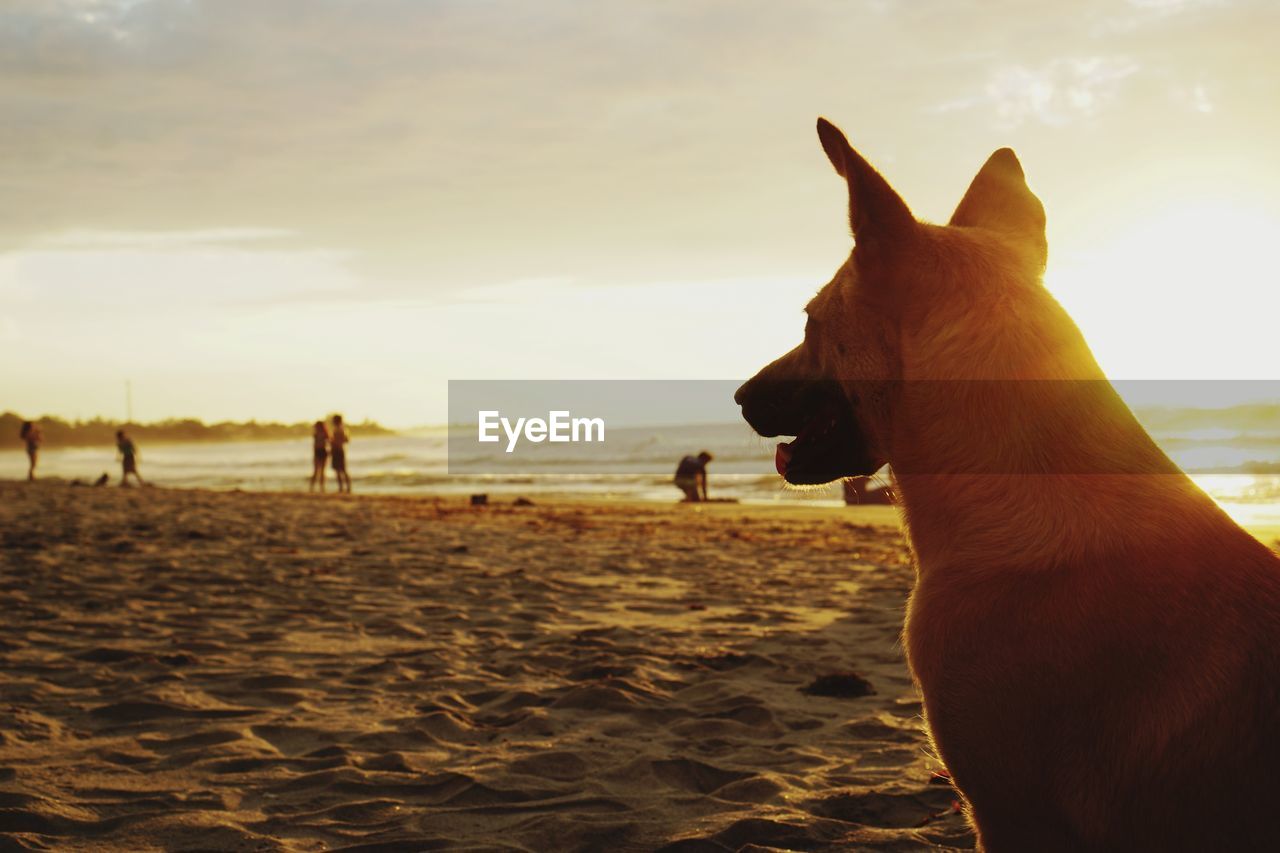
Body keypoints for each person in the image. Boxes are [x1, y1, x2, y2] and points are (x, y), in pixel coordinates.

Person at [330, 414, 351, 493]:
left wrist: (334, 442)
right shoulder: (342, 429)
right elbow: (347, 440)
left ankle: (343, 488)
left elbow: (345, 440)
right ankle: (345, 487)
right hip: (340, 450)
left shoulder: (338, 429)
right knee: (342, 470)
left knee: (340, 470)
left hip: (338, 451)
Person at [309, 420, 330, 492]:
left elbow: (329, 442)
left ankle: (321, 487)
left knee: (321, 471)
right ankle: (313, 487)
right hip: (319, 452)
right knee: (317, 471)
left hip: (322, 452)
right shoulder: (318, 434)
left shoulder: (323, 434)